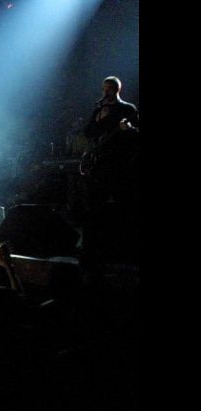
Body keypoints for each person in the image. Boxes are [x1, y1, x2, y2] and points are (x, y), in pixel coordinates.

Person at [80, 76, 139, 268]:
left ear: (118, 89)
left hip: (118, 166)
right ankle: (91, 250)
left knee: (122, 207)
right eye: (104, 88)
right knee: (93, 208)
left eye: (110, 88)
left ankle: (123, 252)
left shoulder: (127, 109)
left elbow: (135, 134)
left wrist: (128, 129)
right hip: (97, 166)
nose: (106, 91)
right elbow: (88, 133)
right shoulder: (99, 109)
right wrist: (98, 119)